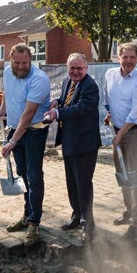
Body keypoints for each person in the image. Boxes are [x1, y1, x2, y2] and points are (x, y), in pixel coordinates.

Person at [0, 43, 51, 246]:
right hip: (15, 128)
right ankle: (26, 214)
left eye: (25, 62)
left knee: (33, 175)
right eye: (17, 62)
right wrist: (2, 111)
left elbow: (29, 113)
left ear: (30, 60)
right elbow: (8, 91)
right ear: (10, 60)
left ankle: (34, 222)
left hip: (34, 131)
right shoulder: (8, 71)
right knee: (22, 173)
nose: (21, 66)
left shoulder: (39, 79)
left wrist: (13, 141)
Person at [44, 53, 101, 244]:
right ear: (67, 68)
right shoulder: (67, 82)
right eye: (72, 68)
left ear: (86, 68)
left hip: (85, 143)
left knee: (84, 184)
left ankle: (88, 224)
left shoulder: (90, 86)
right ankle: (76, 216)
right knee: (72, 182)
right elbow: (66, 101)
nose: (75, 72)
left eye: (79, 68)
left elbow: (81, 108)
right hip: (69, 141)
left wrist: (57, 112)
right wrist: (57, 103)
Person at [104, 43, 137, 239]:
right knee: (121, 172)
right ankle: (128, 210)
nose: (129, 61)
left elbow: (135, 113)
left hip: (133, 132)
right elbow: (107, 99)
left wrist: (120, 134)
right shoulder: (110, 75)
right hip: (117, 131)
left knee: (134, 174)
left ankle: (136, 223)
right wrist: (109, 114)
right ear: (119, 57)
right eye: (125, 57)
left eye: (132, 57)